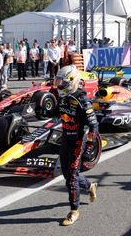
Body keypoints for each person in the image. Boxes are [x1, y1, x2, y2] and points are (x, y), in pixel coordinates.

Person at [52, 65, 98, 226]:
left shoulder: (83, 101)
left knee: (71, 178)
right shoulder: (64, 97)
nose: (58, 85)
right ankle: (90, 186)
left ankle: (74, 210)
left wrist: (90, 147)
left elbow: (93, 126)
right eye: (57, 82)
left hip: (78, 141)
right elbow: (58, 114)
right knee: (68, 175)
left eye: (61, 82)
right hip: (66, 139)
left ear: (71, 82)